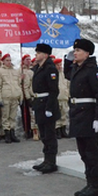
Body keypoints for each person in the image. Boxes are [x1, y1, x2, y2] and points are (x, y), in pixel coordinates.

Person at [64, 38, 98, 196]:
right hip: (77, 113)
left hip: (88, 114)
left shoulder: (93, 70)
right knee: (83, 151)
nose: (75, 53)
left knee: (92, 152)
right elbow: (68, 74)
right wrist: (67, 61)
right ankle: (89, 183)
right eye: (74, 50)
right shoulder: (77, 68)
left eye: (78, 51)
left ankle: (96, 186)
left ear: (87, 53)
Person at [31, 43, 60, 174]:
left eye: (38, 53)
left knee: (49, 135)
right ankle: (46, 160)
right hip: (39, 103)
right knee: (43, 134)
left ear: (45, 55)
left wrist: (49, 107)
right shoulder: (38, 67)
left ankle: (51, 161)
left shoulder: (50, 69)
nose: (36, 55)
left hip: (47, 104)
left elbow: (54, 90)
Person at [0, 53, 22, 144]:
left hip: (15, 96)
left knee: (12, 116)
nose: (9, 62)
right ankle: (7, 133)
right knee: (5, 116)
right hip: (5, 96)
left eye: (10, 60)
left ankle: (12, 133)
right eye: (7, 60)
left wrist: (20, 96)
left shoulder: (15, 71)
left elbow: (18, 84)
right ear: (3, 61)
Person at [54, 58, 70, 139]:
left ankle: (63, 129)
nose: (59, 66)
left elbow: (68, 85)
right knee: (57, 115)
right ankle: (57, 130)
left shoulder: (64, 74)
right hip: (57, 98)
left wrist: (69, 95)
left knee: (64, 114)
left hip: (64, 97)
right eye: (58, 65)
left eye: (60, 64)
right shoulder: (53, 74)